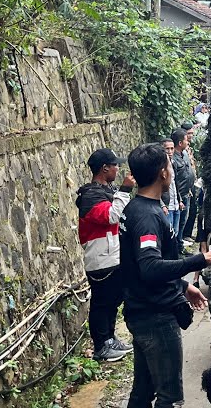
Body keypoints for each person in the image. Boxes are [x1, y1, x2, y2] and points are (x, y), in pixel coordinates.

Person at [120, 143, 211, 408]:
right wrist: (201, 260)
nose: (173, 171)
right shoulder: (146, 216)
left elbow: (142, 266)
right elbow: (150, 267)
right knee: (170, 397)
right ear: (163, 174)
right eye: (169, 166)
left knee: (143, 391)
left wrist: (181, 286)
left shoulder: (136, 208)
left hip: (142, 311)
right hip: (155, 318)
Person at [76, 148, 136, 362]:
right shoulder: (90, 196)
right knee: (102, 303)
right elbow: (111, 216)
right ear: (104, 168)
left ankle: (110, 339)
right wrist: (125, 190)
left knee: (112, 301)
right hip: (100, 259)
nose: (118, 169)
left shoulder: (104, 191)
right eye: (115, 165)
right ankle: (101, 346)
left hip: (112, 256)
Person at [168, 129, 195, 243]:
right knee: (176, 223)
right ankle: (176, 247)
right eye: (185, 140)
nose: (187, 142)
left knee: (183, 220)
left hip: (186, 193)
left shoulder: (184, 154)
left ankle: (180, 243)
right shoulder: (172, 159)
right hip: (179, 195)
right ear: (180, 143)